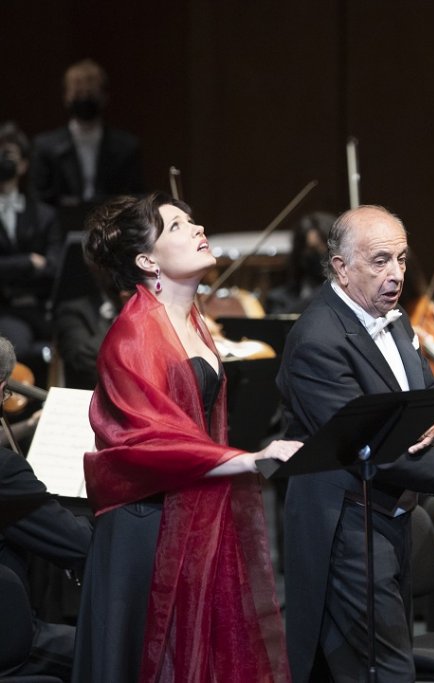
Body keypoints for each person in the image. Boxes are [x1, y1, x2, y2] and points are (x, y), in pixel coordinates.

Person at [73, 192, 300, 682]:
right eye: (177, 226)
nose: (198, 229)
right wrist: (247, 459)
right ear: (146, 259)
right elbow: (148, 440)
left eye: (193, 220)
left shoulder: (193, 321)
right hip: (145, 526)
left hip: (186, 510)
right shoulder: (132, 332)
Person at [275, 204, 434, 682]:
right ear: (341, 268)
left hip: (392, 518)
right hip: (346, 523)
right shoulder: (317, 339)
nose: (397, 274)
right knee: (383, 671)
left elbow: (431, 397)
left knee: (378, 664)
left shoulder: (396, 318)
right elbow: (370, 448)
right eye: (381, 261)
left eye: (402, 260)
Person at [1, 335, 93, 682]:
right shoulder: (5, 470)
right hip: (10, 638)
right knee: (122, 648)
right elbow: (78, 544)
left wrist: (25, 426)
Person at [31, 59, 144, 210]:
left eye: (90, 93)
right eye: (78, 93)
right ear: (66, 97)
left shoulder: (127, 147)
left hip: (111, 226)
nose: (84, 98)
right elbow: (38, 200)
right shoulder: (45, 147)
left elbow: (136, 198)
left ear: (104, 96)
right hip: (61, 228)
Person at [0, 121, 63, 378]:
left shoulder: (44, 215)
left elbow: (55, 266)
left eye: (9, 155)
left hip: (40, 307)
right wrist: (28, 262)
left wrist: (9, 267)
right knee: (18, 349)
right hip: (5, 308)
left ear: (24, 165)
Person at [264, 210, 333, 315]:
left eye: (326, 249)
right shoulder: (278, 300)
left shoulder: (351, 295)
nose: (322, 255)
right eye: (313, 250)